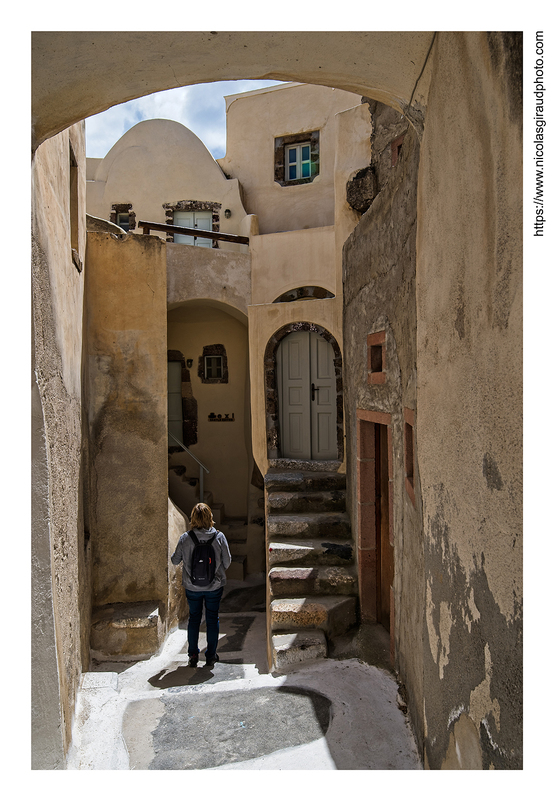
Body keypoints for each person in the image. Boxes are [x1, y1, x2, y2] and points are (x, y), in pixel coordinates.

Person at [171, 502, 231, 667]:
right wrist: (216, 571)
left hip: (192, 587)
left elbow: (175, 560)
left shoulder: (185, 538)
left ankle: (193, 655)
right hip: (214, 586)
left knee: (194, 619)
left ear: (193, 519)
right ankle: (211, 655)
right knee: (212, 618)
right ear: (210, 517)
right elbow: (227, 561)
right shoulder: (219, 537)